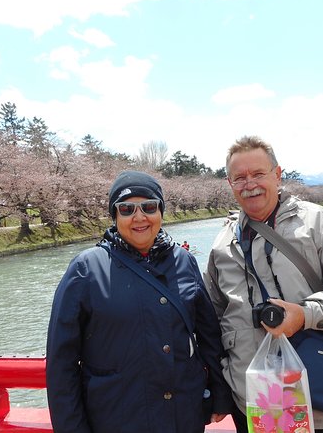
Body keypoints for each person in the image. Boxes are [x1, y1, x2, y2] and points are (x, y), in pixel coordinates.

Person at [203, 137, 323, 433]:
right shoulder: (222, 242)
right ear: (229, 183)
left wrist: (304, 314)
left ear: (277, 175)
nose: (250, 184)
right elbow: (211, 315)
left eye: (258, 174)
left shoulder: (317, 223)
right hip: (252, 403)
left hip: (315, 397)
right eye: (239, 178)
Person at [46, 170, 233, 433]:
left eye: (149, 206)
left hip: (183, 414)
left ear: (161, 212)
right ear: (115, 216)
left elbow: (209, 335)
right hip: (117, 417)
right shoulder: (86, 269)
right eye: (126, 209)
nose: (139, 217)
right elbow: (61, 362)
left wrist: (220, 394)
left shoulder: (184, 261)